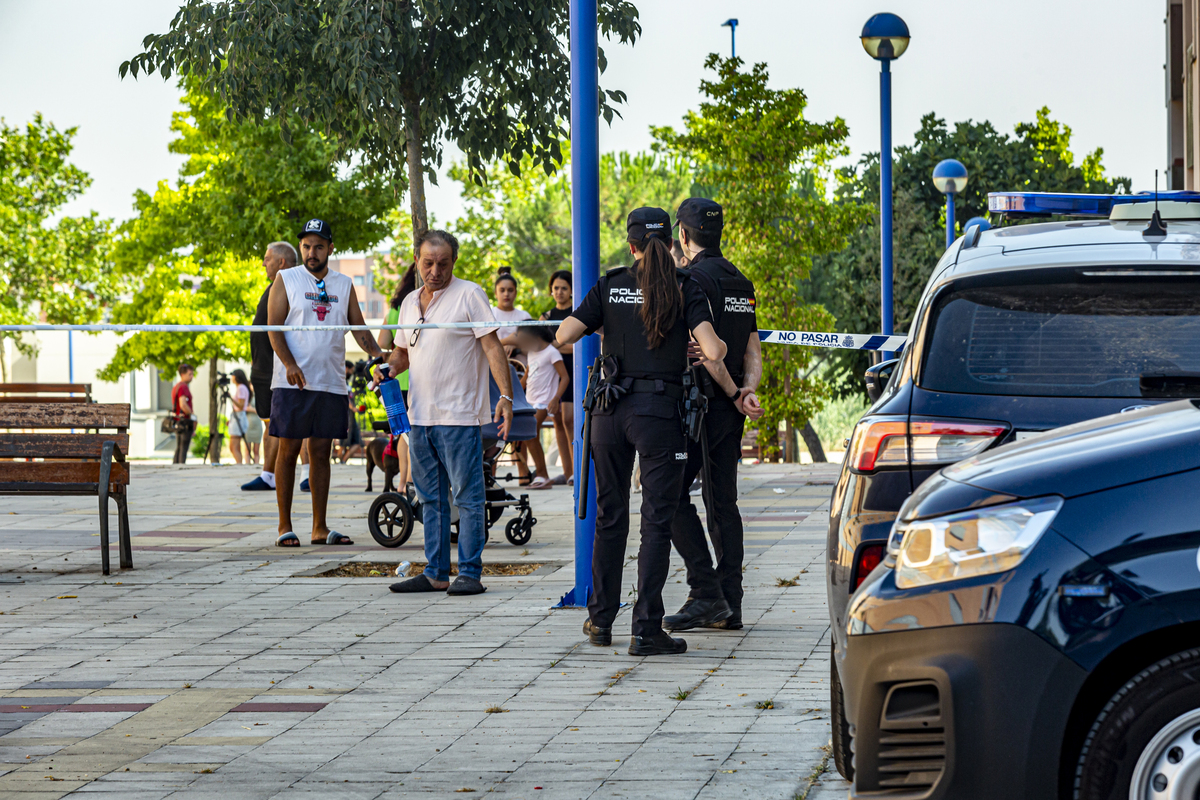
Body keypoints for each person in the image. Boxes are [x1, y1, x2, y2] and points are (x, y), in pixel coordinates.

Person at [554, 207, 729, 656]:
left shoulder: (611, 285)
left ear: (631, 246)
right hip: (658, 415)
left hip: (609, 412)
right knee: (655, 520)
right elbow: (712, 349)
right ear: (671, 243)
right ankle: (646, 629)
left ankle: (600, 621)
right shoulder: (684, 287)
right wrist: (713, 343)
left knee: (610, 517)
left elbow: (563, 335)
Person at [385, 230, 515, 597]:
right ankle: (436, 572)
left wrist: (505, 395)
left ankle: (470, 572)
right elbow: (402, 354)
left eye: (443, 264)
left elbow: (492, 347)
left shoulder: (470, 294)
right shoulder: (410, 302)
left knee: (468, 498)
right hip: (419, 417)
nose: (435, 271)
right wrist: (387, 370)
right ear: (417, 261)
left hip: (460, 417)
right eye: (428, 263)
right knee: (430, 498)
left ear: (453, 262)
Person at [662, 198, 765, 633]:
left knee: (667, 496)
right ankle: (730, 604)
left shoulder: (691, 279)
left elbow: (712, 355)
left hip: (699, 405)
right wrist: (748, 391)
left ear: (682, 237)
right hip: (730, 409)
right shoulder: (741, 280)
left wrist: (730, 390)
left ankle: (706, 593)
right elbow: (753, 349)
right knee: (723, 502)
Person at [267, 218, 385, 547]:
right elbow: (272, 329)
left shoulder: (344, 284)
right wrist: (289, 364)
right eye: (306, 246)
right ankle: (284, 526)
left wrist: (378, 357)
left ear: (331, 248)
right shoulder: (285, 278)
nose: (312, 252)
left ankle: (320, 527)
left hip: (331, 381)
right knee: (289, 450)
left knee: (322, 452)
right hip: (293, 382)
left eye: (319, 246)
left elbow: (359, 328)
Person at [242, 242, 298, 491]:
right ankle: (270, 475)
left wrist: (286, 364)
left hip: (276, 370)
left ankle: (272, 476)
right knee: (272, 424)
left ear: (281, 262)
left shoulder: (288, 286)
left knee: (279, 425)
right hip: (265, 370)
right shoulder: (275, 287)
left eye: (267, 258)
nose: (264, 262)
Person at [378, 262, 417, 491]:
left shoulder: (396, 308)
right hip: (418, 377)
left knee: (403, 433)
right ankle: (412, 479)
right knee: (415, 430)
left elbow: (382, 343)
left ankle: (403, 481)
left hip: (398, 379)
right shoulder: (423, 305)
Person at [514, 325, 568, 489]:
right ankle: (542, 475)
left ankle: (542, 475)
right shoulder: (531, 353)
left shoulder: (552, 352)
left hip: (544, 401)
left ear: (535, 338)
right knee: (530, 435)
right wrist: (512, 394)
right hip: (529, 401)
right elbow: (527, 376)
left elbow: (564, 377)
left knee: (530, 433)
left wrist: (556, 398)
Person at [540, 270, 575, 486]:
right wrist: (560, 346)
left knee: (569, 419)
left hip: (572, 370)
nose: (560, 292)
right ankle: (567, 471)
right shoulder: (545, 317)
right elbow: (540, 347)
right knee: (557, 421)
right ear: (551, 291)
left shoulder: (576, 314)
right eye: (556, 288)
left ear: (571, 290)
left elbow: (577, 347)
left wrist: (555, 345)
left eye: (564, 288)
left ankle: (577, 470)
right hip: (552, 372)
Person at [491, 268, 531, 355]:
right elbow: (483, 344)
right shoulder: (489, 314)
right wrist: (508, 341)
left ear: (516, 293)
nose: (506, 294)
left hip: (522, 366)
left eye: (510, 290)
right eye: (502, 290)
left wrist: (515, 345)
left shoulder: (524, 316)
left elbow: (534, 345)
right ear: (495, 293)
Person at [338, 360, 365, 463]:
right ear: (346, 368)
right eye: (351, 370)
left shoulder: (348, 382)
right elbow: (344, 397)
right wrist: (352, 407)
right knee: (343, 444)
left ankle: (343, 461)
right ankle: (341, 462)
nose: (352, 373)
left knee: (357, 442)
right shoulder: (340, 381)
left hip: (352, 417)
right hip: (344, 416)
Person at [171, 363, 196, 464]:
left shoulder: (176, 386)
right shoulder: (183, 387)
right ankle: (180, 467)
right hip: (185, 421)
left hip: (178, 420)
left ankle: (175, 466)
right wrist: (192, 416)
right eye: (190, 374)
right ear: (182, 374)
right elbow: (183, 405)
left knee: (179, 446)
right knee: (183, 448)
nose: (192, 377)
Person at [227, 369, 252, 465]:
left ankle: (239, 464)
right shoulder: (242, 388)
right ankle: (239, 463)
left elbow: (241, 406)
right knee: (235, 446)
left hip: (239, 416)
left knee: (233, 446)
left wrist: (231, 398)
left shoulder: (241, 388)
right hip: (237, 416)